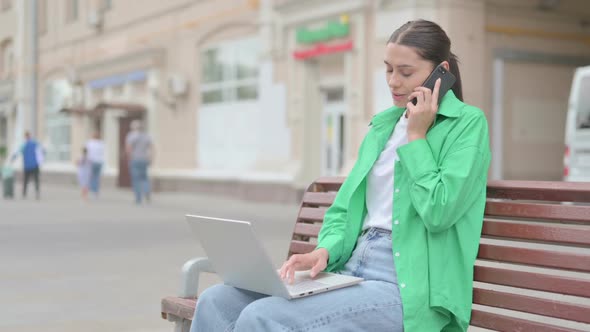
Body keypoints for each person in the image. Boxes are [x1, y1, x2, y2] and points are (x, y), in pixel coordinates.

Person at [190, 19, 491, 332]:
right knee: (216, 301)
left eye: (406, 72)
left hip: (409, 288)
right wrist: (325, 250)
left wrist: (417, 138)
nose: (393, 82)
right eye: (388, 69)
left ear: (440, 72)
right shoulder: (383, 126)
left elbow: (440, 211)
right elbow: (345, 209)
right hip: (351, 268)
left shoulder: (467, 125)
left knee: (263, 317)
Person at [125, 119, 154, 204]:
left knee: (136, 179)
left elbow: (128, 148)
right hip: (144, 159)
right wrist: (151, 158)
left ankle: (138, 198)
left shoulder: (131, 136)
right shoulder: (147, 136)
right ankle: (147, 191)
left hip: (135, 159)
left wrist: (129, 158)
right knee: (144, 178)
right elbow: (152, 148)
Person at [12, 131, 44, 200]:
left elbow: (18, 152)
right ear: (30, 136)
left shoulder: (24, 144)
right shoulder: (34, 143)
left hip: (28, 165)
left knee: (26, 180)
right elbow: (42, 150)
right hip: (35, 165)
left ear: (26, 137)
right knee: (36, 179)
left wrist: (13, 158)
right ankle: (36, 192)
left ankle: (24, 193)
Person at [85, 131, 105, 198]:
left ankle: (92, 190)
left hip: (92, 162)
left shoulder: (90, 143)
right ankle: (95, 191)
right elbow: (104, 153)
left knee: (91, 177)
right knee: (96, 177)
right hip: (99, 162)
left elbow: (87, 153)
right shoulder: (101, 143)